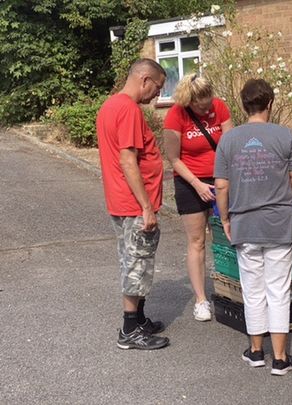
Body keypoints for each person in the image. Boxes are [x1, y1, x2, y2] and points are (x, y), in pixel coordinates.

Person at [214, 78, 292, 376]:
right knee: (278, 291)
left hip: (245, 223)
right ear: (270, 104)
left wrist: (226, 219)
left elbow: (221, 186)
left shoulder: (229, 140)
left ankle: (255, 351)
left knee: (252, 291)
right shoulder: (285, 135)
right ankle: (280, 358)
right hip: (280, 223)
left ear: (243, 106)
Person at [96, 58, 169, 350]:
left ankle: (138, 319)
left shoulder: (110, 106)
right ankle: (129, 330)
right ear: (144, 80)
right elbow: (128, 160)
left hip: (122, 202)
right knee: (136, 263)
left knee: (135, 260)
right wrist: (147, 207)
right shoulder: (127, 109)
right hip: (133, 205)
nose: (158, 95)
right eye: (158, 87)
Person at [163, 73, 233, 321]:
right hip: (190, 182)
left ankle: (230, 291)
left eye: (208, 101)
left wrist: (223, 180)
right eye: (200, 104)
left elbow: (229, 144)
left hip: (220, 180)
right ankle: (201, 300)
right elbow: (174, 159)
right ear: (189, 100)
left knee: (227, 238)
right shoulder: (175, 115)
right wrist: (197, 184)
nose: (206, 107)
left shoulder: (220, 107)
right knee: (197, 242)